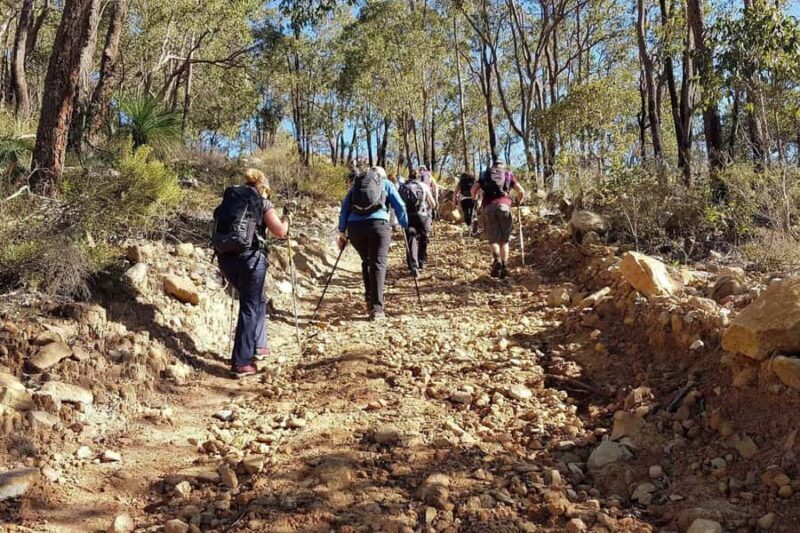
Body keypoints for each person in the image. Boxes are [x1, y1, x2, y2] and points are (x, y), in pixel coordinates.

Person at [213, 169, 290, 377]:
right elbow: (280, 232)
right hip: (250, 260)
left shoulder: (230, 201)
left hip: (225, 259)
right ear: (263, 187)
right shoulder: (262, 202)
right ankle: (241, 362)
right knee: (250, 306)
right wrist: (287, 220)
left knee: (257, 299)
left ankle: (259, 345)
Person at [338, 166, 408, 321]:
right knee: (378, 263)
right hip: (378, 226)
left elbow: (345, 208)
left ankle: (369, 299)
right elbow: (400, 205)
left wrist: (342, 231)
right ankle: (377, 309)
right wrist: (404, 223)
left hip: (355, 228)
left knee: (367, 260)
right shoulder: (386, 183)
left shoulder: (357, 185)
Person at [471, 162, 525, 279]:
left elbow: (473, 189)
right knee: (504, 241)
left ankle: (496, 259)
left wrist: (475, 198)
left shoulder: (485, 174)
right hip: (504, 207)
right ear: (503, 167)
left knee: (493, 239)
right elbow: (521, 191)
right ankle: (504, 267)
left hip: (488, 208)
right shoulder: (508, 174)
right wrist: (518, 201)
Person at [399, 171, 437, 277]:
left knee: (411, 238)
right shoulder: (423, 186)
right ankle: (422, 261)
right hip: (422, 216)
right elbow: (433, 204)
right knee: (423, 237)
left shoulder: (403, 187)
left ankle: (413, 265)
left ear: (409, 177)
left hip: (408, 216)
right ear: (418, 177)